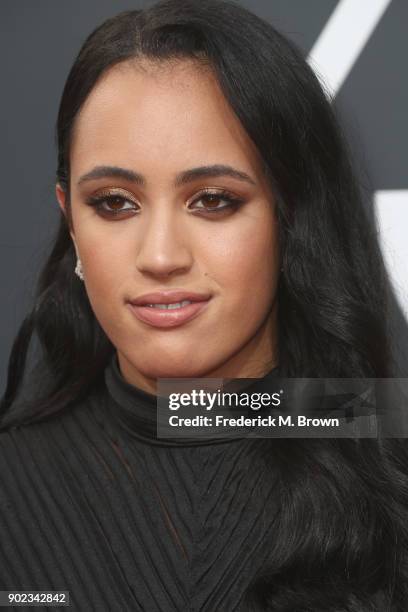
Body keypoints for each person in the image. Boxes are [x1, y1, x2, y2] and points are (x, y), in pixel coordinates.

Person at [1, 0, 407, 610]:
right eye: (114, 203)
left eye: (213, 199)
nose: (161, 256)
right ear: (71, 221)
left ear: (291, 216)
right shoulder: (12, 481)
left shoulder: (390, 454)